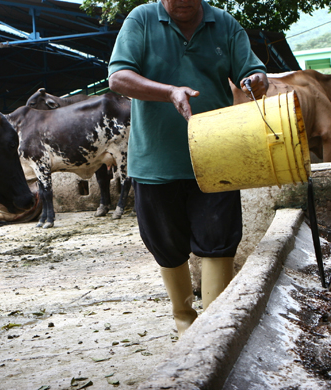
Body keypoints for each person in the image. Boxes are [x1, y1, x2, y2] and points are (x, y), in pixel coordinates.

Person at [108, 0, 269, 337]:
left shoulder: (224, 24)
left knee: (219, 239)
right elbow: (119, 78)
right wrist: (169, 92)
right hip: (156, 160)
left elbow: (251, 72)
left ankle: (213, 332)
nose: (181, 1)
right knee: (166, 244)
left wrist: (255, 80)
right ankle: (185, 325)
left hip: (216, 155)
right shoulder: (141, 20)